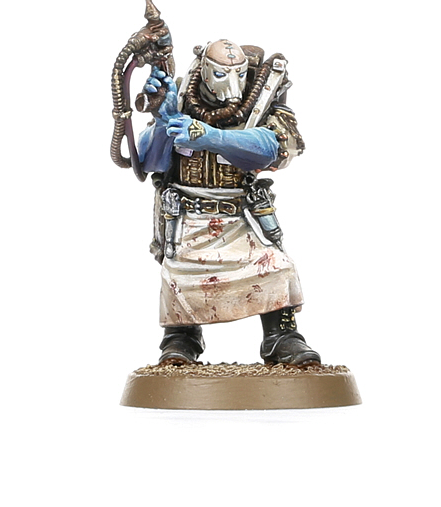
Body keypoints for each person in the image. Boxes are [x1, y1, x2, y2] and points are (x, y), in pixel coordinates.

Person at [136, 39, 321, 367]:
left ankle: (281, 335)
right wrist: (164, 120)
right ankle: (181, 337)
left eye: (238, 74)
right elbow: (150, 161)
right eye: (221, 74)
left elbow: (275, 148)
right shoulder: (181, 96)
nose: (231, 83)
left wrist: (212, 136)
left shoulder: (263, 101)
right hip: (186, 219)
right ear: (206, 72)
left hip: (239, 219)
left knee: (276, 267)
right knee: (179, 276)